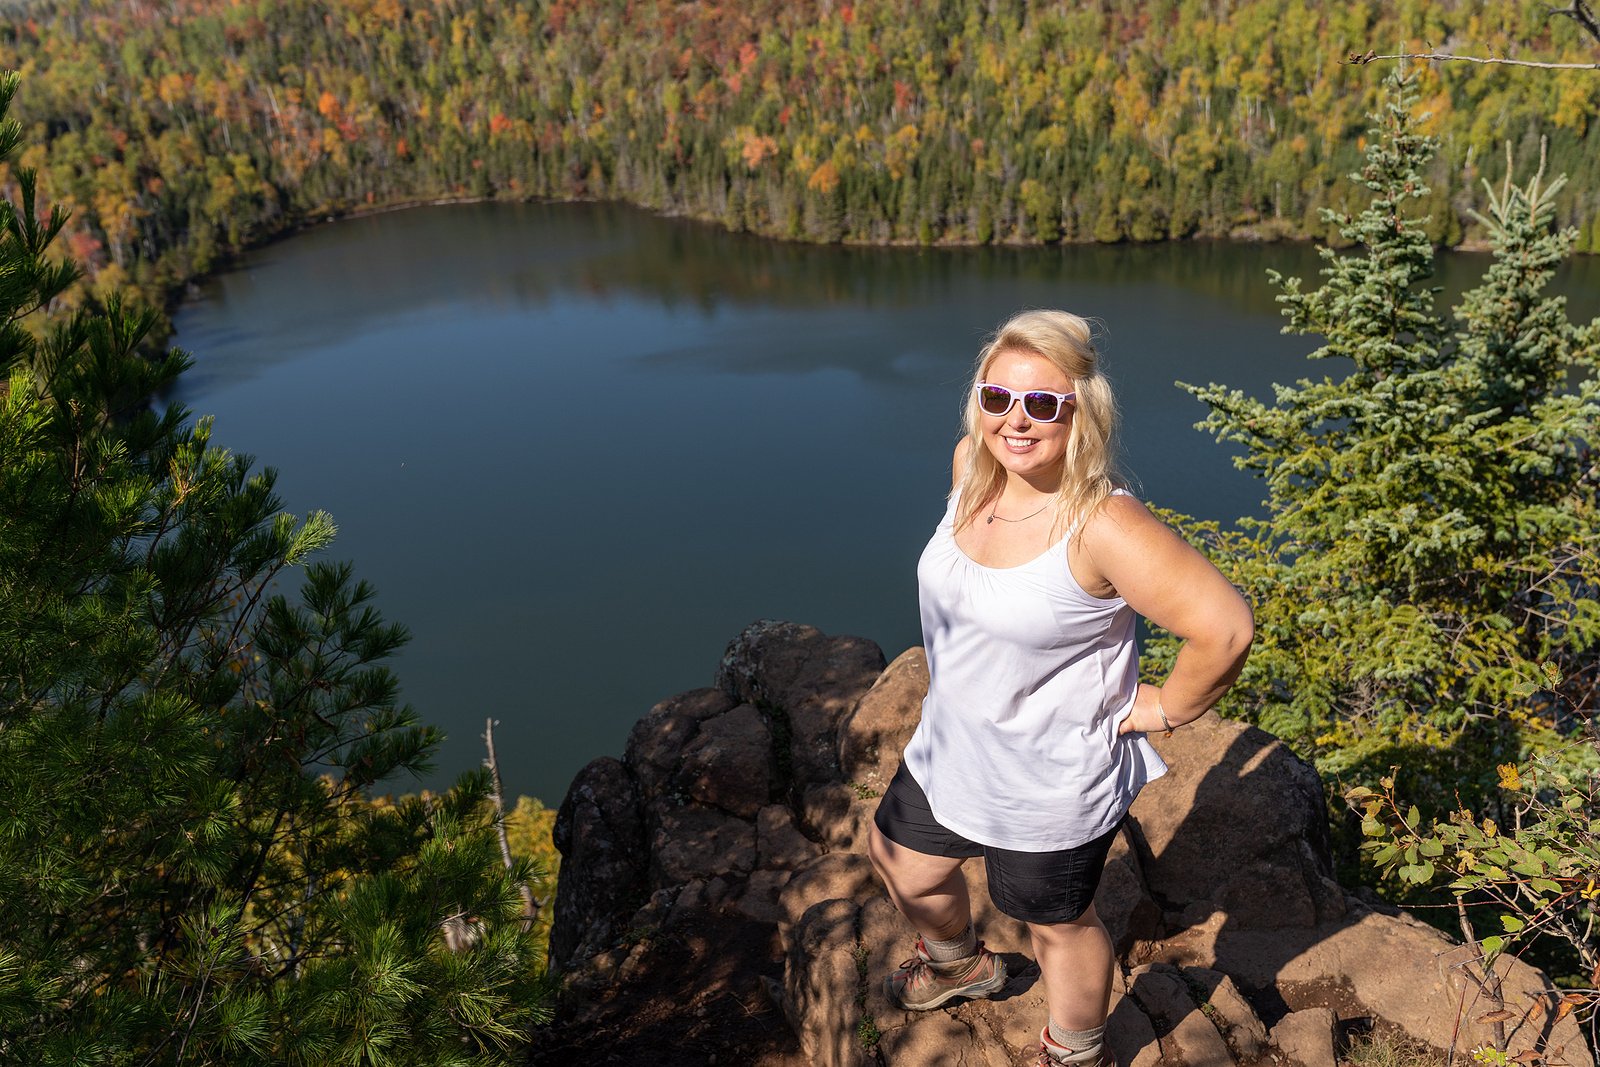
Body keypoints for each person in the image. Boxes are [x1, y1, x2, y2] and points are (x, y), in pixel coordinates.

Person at [866, 309, 1254, 1067]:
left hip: (1047, 778)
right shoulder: (970, 471)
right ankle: (960, 965)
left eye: (1042, 403)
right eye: (997, 396)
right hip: (951, 746)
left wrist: (1165, 707)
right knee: (900, 857)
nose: (1015, 419)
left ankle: (1075, 1049)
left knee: (1055, 923)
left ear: (1080, 413)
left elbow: (1225, 626)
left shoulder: (1101, 523)